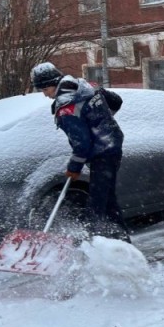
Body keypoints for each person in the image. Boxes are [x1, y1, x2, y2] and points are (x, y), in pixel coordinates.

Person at [30, 62, 130, 243]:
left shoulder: (66, 106)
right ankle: (122, 243)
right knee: (107, 200)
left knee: (97, 204)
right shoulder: (85, 86)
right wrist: (100, 121)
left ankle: (94, 244)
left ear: (51, 84)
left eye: (44, 89)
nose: (45, 95)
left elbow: (82, 144)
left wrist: (74, 167)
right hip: (112, 144)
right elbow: (116, 101)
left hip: (101, 153)